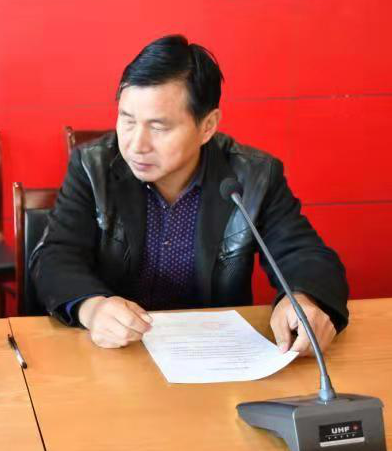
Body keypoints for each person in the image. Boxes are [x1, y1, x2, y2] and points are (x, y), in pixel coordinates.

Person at [31, 35, 348, 355]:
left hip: (215, 355)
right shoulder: (92, 166)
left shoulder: (254, 176)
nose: (136, 144)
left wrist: (303, 300)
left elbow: (304, 254)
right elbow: (55, 256)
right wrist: (93, 308)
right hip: (118, 352)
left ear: (208, 125)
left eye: (159, 127)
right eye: (127, 121)